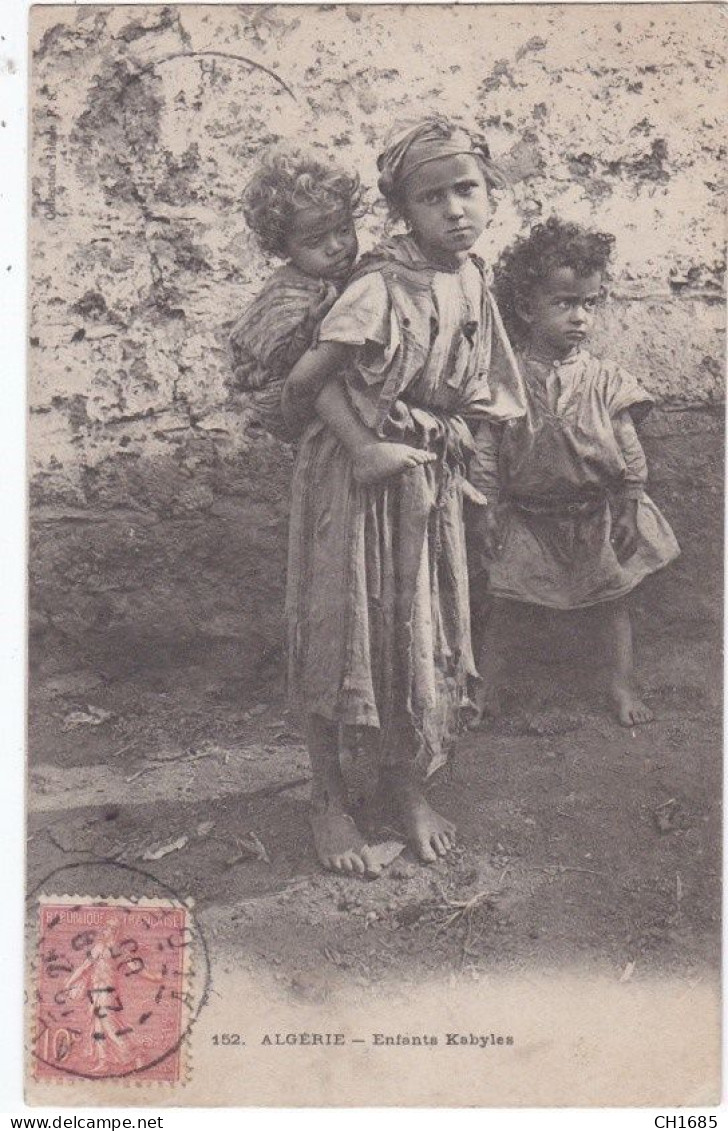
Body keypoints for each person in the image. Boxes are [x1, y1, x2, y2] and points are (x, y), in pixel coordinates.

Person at [281, 115, 526, 877]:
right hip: (353, 485)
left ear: (492, 194)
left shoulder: (475, 278)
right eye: (432, 198)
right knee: (344, 628)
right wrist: (364, 444)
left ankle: (403, 783)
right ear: (403, 211)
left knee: (419, 632)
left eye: (467, 189)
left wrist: (473, 475)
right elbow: (302, 388)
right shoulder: (377, 286)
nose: (455, 209)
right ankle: (326, 796)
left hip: (428, 479)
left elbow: (486, 388)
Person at [468, 216, 680, 729]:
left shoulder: (606, 380)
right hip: (528, 519)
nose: (579, 317)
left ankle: (620, 684)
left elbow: (628, 449)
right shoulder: (506, 378)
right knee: (508, 605)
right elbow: (486, 449)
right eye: (564, 304)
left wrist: (629, 504)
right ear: (525, 308)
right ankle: (485, 692)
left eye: (589, 304)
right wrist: (488, 509)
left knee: (613, 602)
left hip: (594, 516)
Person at [228, 145, 360, 438]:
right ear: (283, 245)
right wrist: (311, 323)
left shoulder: (347, 275)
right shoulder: (286, 292)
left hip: (325, 384)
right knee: (318, 375)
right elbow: (280, 360)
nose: (336, 246)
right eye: (315, 241)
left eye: (343, 230)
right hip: (281, 391)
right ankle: (363, 446)